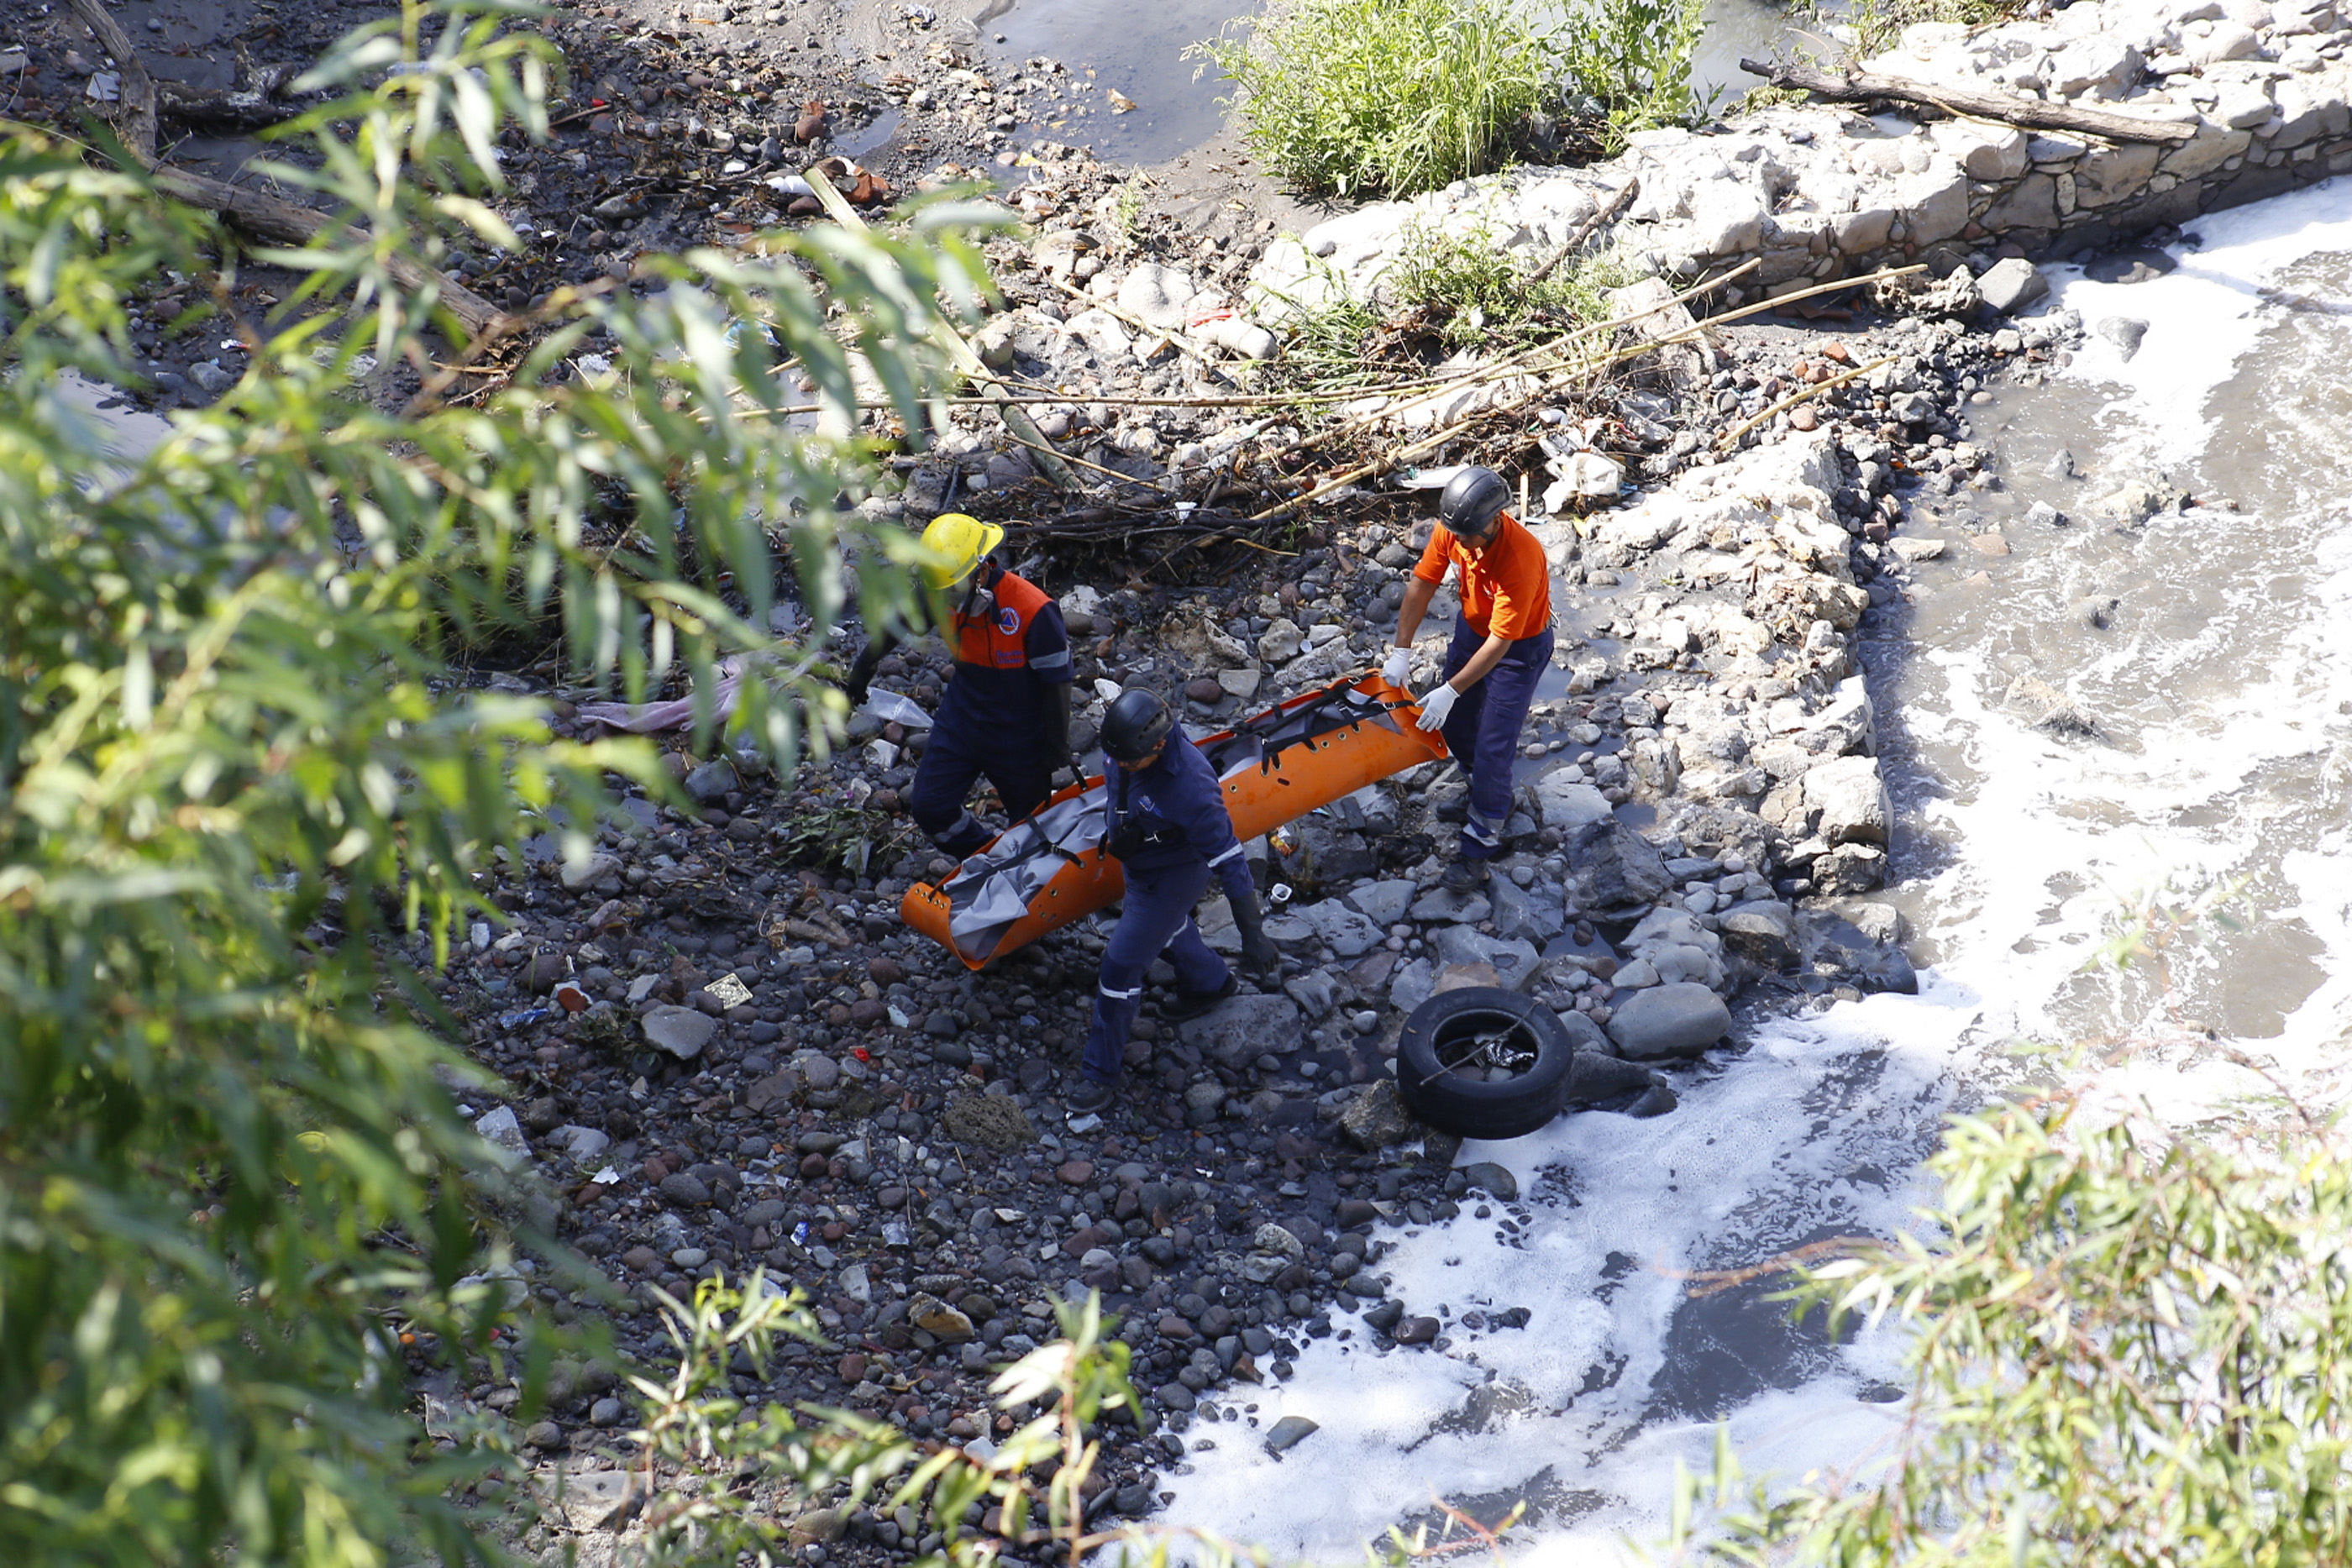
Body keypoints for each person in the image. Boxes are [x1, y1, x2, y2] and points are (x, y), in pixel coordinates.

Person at [1068, 689, 1278, 1116]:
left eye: (1129, 763)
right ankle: (1211, 983)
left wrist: (1252, 935)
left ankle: (1100, 1074)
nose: (1119, 766)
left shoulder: (1191, 789)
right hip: (1137, 861)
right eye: (1115, 759)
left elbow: (1232, 862)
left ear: (1159, 746)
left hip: (1171, 878)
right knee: (1168, 929)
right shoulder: (1125, 747)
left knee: (1121, 964)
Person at [844, 512, 1073, 858]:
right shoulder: (937, 592)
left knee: (1032, 829)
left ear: (981, 571)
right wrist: (862, 670)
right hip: (963, 717)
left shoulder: (1034, 611)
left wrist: (1056, 745)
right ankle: (983, 859)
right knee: (929, 806)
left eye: (952, 591)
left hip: (1020, 730)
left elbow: (1057, 683)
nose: (945, 601)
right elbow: (895, 625)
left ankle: (1024, 874)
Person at [1381, 466, 1555, 891]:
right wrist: (1401, 650)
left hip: (1518, 651)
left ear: (1494, 521)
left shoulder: (1521, 556)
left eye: (1466, 536)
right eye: (1453, 533)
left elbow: (1501, 643)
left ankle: (1479, 847)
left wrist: (1450, 689)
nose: (1457, 542)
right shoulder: (1457, 527)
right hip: (1471, 631)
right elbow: (1423, 583)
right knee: (1455, 725)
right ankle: (1486, 791)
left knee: (1494, 744)